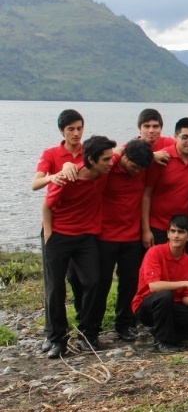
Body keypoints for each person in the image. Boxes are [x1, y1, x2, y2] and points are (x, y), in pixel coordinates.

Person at [41, 135, 115, 358]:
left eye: (111, 159)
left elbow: (124, 151)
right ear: (91, 160)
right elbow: (46, 206)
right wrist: (49, 236)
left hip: (86, 237)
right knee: (56, 289)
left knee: (93, 282)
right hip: (59, 235)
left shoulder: (102, 173)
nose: (110, 163)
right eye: (106, 160)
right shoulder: (68, 178)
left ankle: (87, 332)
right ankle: (57, 339)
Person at [31, 108, 84, 353]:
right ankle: (54, 336)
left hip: (82, 229)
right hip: (55, 228)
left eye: (79, 128)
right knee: (54, 285)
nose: (76, 133)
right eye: (71, 129)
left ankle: (84, 331)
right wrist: (54, 176)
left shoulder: (87, 153)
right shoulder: (51, 154)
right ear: (62, 131)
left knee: (80, 280)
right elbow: (35, 182)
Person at [96, 139, 154, 343]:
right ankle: (92, 329)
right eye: (134, 167)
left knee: (129, 283)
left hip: (132, 235)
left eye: (141, 169)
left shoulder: (143, 166)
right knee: (100, 283)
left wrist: (145, 230)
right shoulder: (109, 166)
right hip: (106, 235)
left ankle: (124, 324)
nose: (137, 171)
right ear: (125, 157)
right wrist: (117, 152)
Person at [132, 215, 188, 353]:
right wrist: (185, 283)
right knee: (164, 295)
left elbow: (185, 298)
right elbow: (153, 286)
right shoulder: (155, 252)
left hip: (174, 307)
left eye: (181, 232)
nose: (176, 235)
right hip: (147, 306)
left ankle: (166, 334)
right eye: (173, 231)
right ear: (168, 234)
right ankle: (164, 342)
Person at [142, 117, 188, 257]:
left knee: (186, 267)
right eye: (185, 137)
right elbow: (146, 195)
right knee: (159, 268)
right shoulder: (162, 159)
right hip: (159, 226)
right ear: (175, 137)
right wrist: (146, 230)